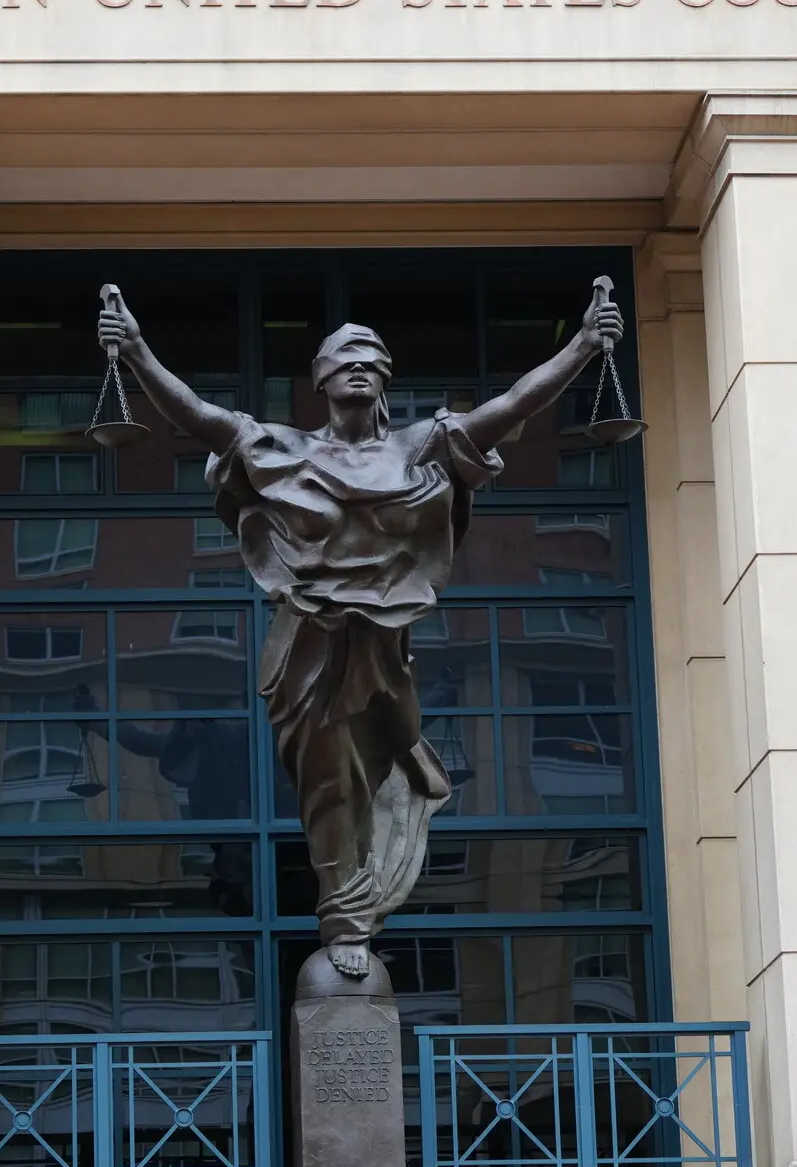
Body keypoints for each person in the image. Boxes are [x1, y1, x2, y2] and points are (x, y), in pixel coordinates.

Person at [97, 284, 625, 978]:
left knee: (381, 763)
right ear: (319, 377)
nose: (359, 364)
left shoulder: (422, 445)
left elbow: (511, 406)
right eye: (345, 355)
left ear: (386, 378)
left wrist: (586, 345)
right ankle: (344, 915)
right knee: (327, 784)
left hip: (382, 650)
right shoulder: (279, 447)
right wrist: (132, 349)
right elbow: (196, 415)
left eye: (373, 358)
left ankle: (367, 879)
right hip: (308, 649)